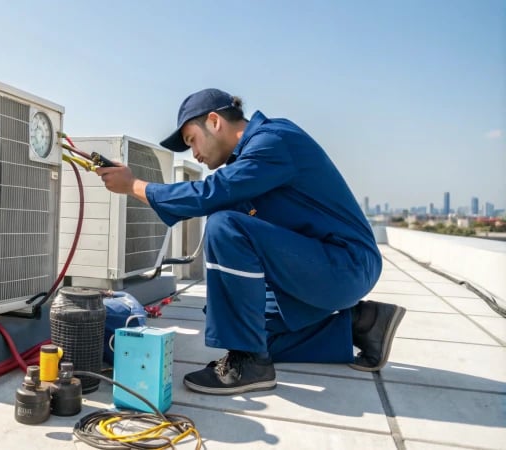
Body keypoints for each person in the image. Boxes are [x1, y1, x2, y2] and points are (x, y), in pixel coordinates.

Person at [95, 88, 406, 395]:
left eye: (192, 140)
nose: (194, 154)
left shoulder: (273, 141)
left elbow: (210, 194)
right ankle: (363, 325)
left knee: (224, 225)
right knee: (250, 329)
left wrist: (134, 185)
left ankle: (250, 363)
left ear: (214, 121)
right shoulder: (250, 162)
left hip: (347, 264)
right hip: (321, 263)